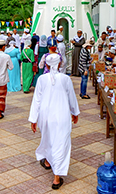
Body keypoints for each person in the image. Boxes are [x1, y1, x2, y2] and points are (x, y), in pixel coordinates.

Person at [28, 54, 79, 190]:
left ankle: (49, 163)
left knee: (49, 139)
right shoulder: (65, 79)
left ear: (47, 65)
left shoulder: (41, 79)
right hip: (62, 115)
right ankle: (56, 178)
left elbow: (36, 100)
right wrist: (75, 112)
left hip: (45, 116)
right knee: (61, 143)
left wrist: (33, 118)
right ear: (60, 63)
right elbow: (71, 97)